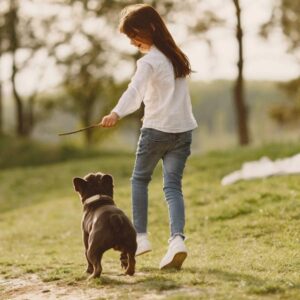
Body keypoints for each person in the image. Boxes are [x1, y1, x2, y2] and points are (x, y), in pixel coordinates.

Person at [100, 4, 197, 270]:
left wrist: (115, 113)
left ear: (150, 28)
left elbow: (134, 92)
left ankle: (140, 237)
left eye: (134, 35)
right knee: (173, 187)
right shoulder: (177, 57)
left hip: (156, 130)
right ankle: (177, 240)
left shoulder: (149, 62)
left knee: (139, 181)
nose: (132, 41)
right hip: (183, 130)